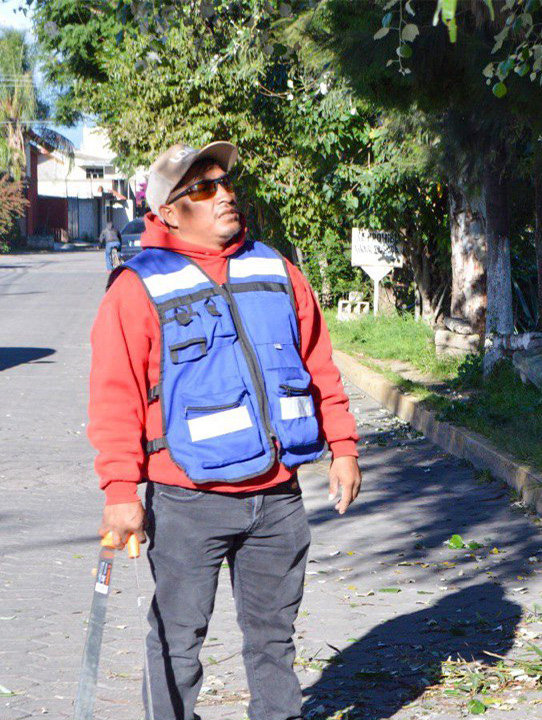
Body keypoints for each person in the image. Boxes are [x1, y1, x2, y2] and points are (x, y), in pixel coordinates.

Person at [88, 141, 362, 720]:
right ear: (168, 211)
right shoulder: (137, 287)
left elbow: (319, 366)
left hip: (277, 498)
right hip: (188, 500)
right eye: (204, 189)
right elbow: (116, 398)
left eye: (226, 183)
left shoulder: (276, 270)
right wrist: (120, 493)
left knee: (273, 645)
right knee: (176, 644)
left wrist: (343, 447)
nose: (225, 195)